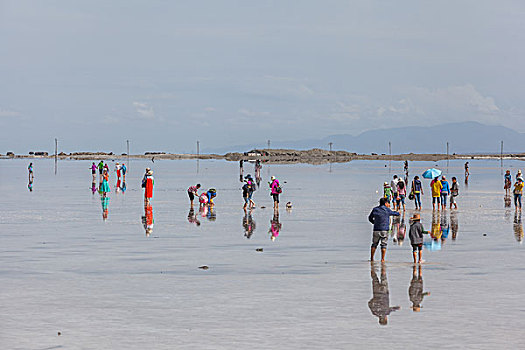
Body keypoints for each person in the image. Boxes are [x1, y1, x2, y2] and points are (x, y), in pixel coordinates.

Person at [368, 197, 400, 262]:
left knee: (374, 244)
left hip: (376, 229)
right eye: (388, 203)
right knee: (383, 245)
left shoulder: (375, 209)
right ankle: (382, 259)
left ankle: (371, 258)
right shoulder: (387, 210)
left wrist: (374, 222)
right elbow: (395, 213)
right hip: (384, 230)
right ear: (385, 203)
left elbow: (370, 218)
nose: (389, 204)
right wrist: (398, 212)